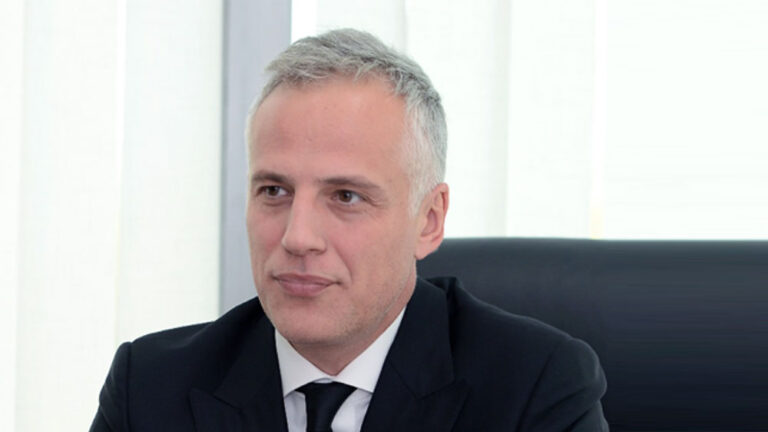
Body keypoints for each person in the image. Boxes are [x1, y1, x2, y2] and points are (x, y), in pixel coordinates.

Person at [90, 29, 608, 432]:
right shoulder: (150, 388)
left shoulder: (535, 388)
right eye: (274, 190)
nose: (298, 237)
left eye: (345, 197)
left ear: (429, 220)